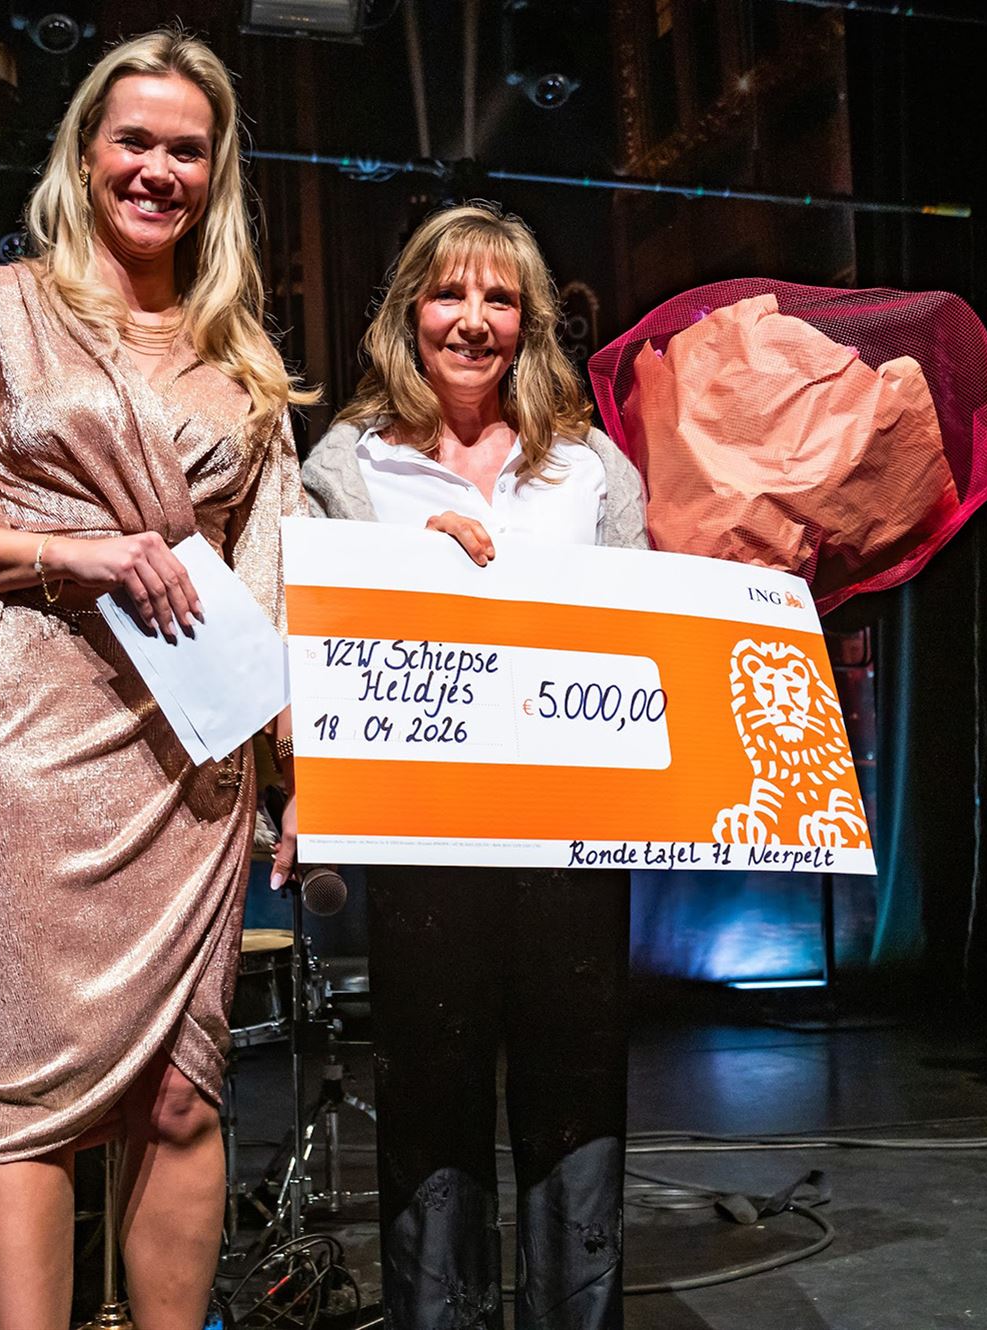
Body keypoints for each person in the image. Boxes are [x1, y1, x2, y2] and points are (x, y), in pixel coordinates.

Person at [0, 29, 306, 1330]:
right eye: (133, 140)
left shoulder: (243, 360)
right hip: (37, 742)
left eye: (186, 150)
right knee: (35, 1099)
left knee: (183, 1092)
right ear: (85, 152)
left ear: (215, 176)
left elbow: (272, 591)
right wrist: (73, 552)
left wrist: (305, 781)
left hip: (195, 766)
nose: (157, 169)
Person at [303, 202, 648, 1330]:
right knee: (432, 1120)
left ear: (529, 321)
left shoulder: (590, 467)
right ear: (409, 309)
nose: (473, 319)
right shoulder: (349, 465)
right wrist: (403, 570)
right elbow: (310, 637)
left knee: (576, 1112)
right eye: (449, 293)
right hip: (426, 852)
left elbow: (640, 640)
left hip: (573, 849)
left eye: (500, 298)